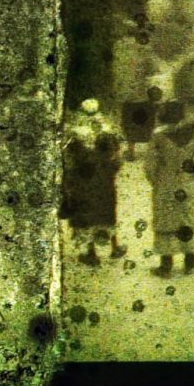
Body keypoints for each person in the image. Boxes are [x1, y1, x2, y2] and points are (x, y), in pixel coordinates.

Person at [63, 98, 127, 267]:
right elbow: (117, 157)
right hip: (104, 179)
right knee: (106, 211)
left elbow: (69, 158)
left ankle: (91, 253)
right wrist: (112, 170)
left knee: (86, 213)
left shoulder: (75, 132)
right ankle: (114, 246)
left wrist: (69, 178)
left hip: (83, 178)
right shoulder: (107, 128)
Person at [146, 100, 194, 278]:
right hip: (186, 185)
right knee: (186, 219)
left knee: (166, 220)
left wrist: (155, 181)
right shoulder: (193, 133)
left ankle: (166, 266)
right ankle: (189, 263)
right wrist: (193, 177)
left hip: (165, 183)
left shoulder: (158, 136)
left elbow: (150, 165)